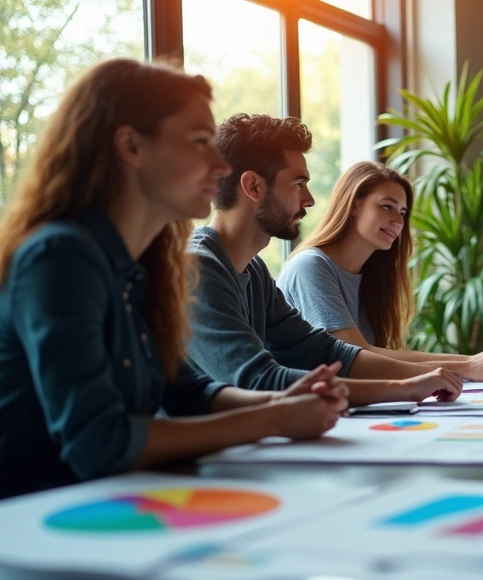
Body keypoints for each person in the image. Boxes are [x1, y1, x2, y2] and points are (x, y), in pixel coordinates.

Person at [0, 59, 349, 498]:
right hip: (31, 532)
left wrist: (287, 399)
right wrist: (275, 418)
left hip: (105, 509)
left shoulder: (144, 264)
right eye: (200, 142)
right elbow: (98, 443)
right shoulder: (61, 257)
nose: (219, 167)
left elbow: (189, 393)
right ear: (131, 146)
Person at [188, 114, 463, 406]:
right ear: (254, 186)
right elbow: (260, 380)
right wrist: (404, 388)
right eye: (298, 183)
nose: (309, 199)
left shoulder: (253, 271)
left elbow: (324, 350)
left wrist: (424, 378)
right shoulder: (198, 269)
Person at [278, 161, 483, 380]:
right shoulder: (310, 266)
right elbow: (354, 357)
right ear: (353, 205)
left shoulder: (372, 276)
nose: (399, 222)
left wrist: (475, 363)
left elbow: (373, 360)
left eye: (402, 212)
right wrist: (469, 364)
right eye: (387, 207)